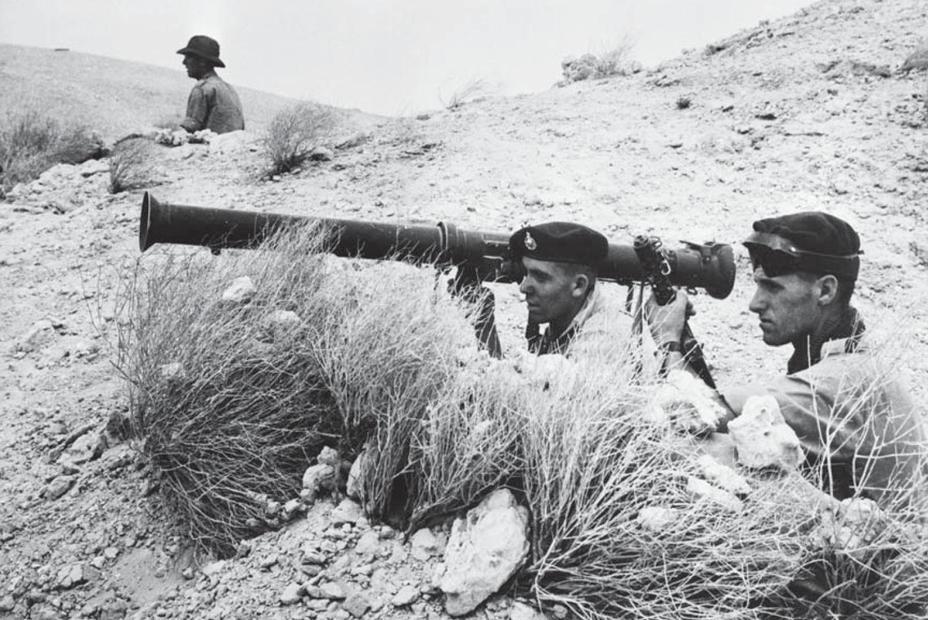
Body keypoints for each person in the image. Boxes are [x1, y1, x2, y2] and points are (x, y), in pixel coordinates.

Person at [647, 212, 924, 502]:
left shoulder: (840, 381)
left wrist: (668, 340)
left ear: (826, 290)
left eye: (773, 287)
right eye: (758, 285)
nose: (755, 304)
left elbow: (695, 418)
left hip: (880, 545)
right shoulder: (848, 350)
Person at [176, 35, 245, 135]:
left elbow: (188, 131)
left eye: (189, 57)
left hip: (210, 148)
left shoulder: (202, 88)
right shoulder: (230, 90)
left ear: (202, 62)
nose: (184, 62)